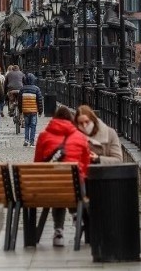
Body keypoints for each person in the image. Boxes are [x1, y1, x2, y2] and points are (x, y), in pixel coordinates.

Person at [34, 106, 90, 248]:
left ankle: (58, 231)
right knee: (73, 184)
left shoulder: (43, 136)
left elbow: (38, 164)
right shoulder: (80, 137)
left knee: (57, 186)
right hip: (76, 189)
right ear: (71, 121)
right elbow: (85, 165)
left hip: (51, 189)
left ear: (54, 119)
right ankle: (76, 215)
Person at [19, 73, 43, 146]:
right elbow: (39, 101)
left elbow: (20, 101)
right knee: (33, 126)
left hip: (25, 110)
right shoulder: (36, 89)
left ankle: (26, 139)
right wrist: (40, 111)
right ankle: (32, 141)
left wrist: (20, 111)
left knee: (26, 125)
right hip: (33, 111)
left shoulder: (22, 89)